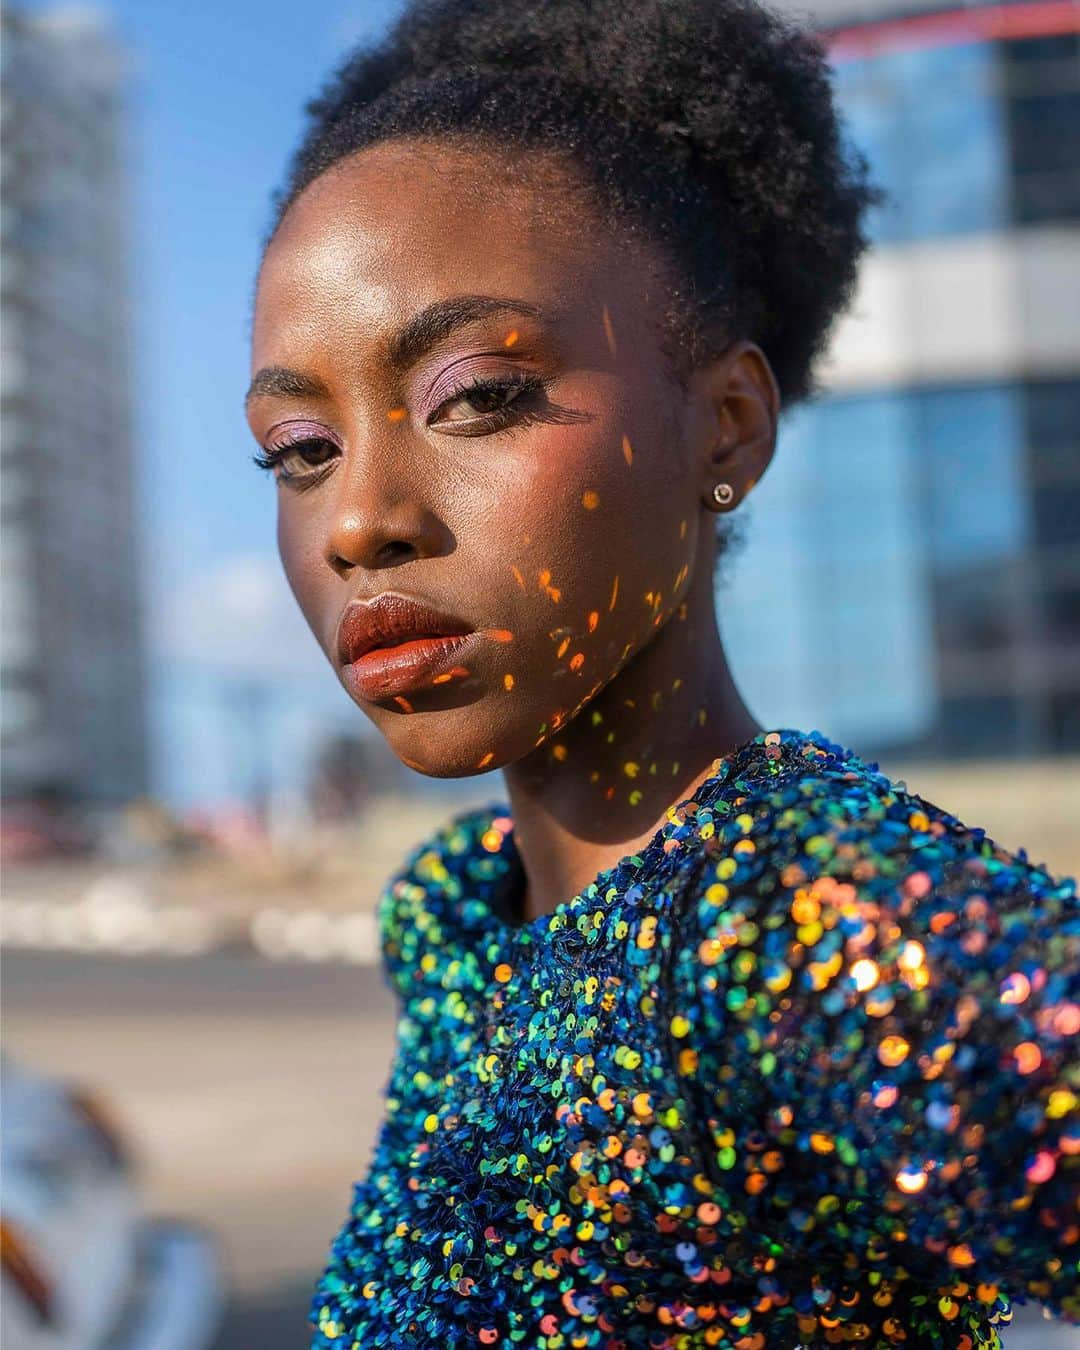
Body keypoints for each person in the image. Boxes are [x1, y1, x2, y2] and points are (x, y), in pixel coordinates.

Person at [243, 0, 1079, 1344]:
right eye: (299, 448)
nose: (357, 522)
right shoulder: (459, 929)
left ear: (726, 423)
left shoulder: (793, 924)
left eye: (476, 395)